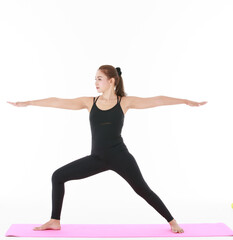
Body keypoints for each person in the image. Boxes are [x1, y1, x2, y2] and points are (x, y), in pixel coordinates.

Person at [7, 65, 207, 233]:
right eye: (95, 79)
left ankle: (172, 221)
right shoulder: (89, 102)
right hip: (97, 158)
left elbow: (158, 99)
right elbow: (57, 101)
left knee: (142, 189)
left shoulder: (124, 102)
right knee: (58, 176)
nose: (95, 82)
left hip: (120, 157)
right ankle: (54, 220)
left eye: (99, 79)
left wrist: (185, 101)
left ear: (112, 81)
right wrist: (29, 103)